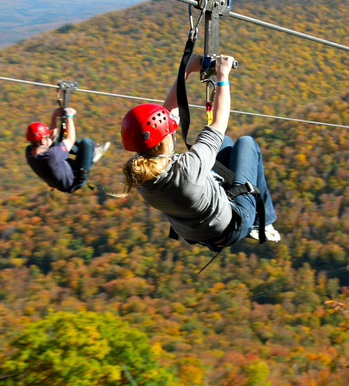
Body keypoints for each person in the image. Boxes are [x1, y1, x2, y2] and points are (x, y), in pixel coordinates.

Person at [116, 53, 279, 252]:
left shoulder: (140, 173)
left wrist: (186, 70)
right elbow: (219, 122)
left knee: (225, 144)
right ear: (164, 140)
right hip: (232, 224)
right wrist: (223, 75)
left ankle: (247, 210)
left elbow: (167, 114)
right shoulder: (188, 169)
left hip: (199, 229)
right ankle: (262, 222)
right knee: (246, 144)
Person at [26, 107, 110, 193]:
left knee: (56, 139)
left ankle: (86, 154)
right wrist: (69, 117)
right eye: (46, 138)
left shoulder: (29, 152)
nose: (49, 138)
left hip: (62, 172)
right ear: (43, 141)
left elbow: (52, 137)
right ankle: (90, 156)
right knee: (87, 143)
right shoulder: (51, 157)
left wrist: (54, 116)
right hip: (75, 179)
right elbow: (70, 140)